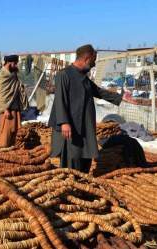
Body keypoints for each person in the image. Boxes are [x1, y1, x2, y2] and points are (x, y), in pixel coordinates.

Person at [48, 44, 135, 172]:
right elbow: (60, 100)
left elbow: (99, 91)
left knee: (86, 155)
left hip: (84, 125)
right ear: (87, 59)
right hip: (70, 126)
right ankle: (72, 183)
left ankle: (83, 182)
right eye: (93, 61)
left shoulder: (83, 77)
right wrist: (64, 122)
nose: (93, 65)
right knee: (73, 157)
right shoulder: (64, 75)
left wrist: (120, 98)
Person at [0, 55, 28, 148]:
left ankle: (12, 147)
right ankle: (3, 147)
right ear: (10, 63)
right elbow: (1, 94)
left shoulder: (13, 73)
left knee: (14, 131)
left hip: (15, 107)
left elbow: (16, 85)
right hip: (7, 109)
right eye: (15, 63)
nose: (16, 65)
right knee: (6, 131)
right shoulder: (2, 74)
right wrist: (5, 109)